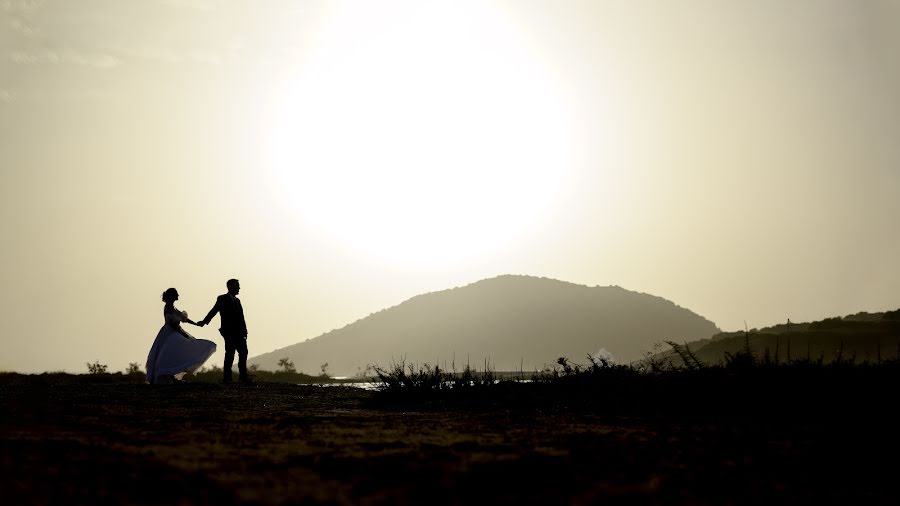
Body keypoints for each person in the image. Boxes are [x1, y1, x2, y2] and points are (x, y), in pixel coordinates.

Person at [146, 288, 217, 384]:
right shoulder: (168, 307)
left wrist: (196, 324)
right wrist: (183, 334)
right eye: (176, 294)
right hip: (169, 333)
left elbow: (184, 318)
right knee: (170, 353)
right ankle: (169, 375)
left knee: (173, 354)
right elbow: (173, 324)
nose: (178, 296)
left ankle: (171, 376)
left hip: (173, 332)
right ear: (172, 296)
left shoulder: (173, 307)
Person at [198, 279, 249, 383]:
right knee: (230, 354)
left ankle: (243, 377)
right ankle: (227, 378)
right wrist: (204, 321)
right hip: (229, 332)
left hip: (239, 332)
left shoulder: (238, 301)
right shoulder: (222, 299)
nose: (239, 288)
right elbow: (214, 311)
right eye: (237, 286)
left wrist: (244, 331)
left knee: (243, 352)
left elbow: (241, 317)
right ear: (230, 287)